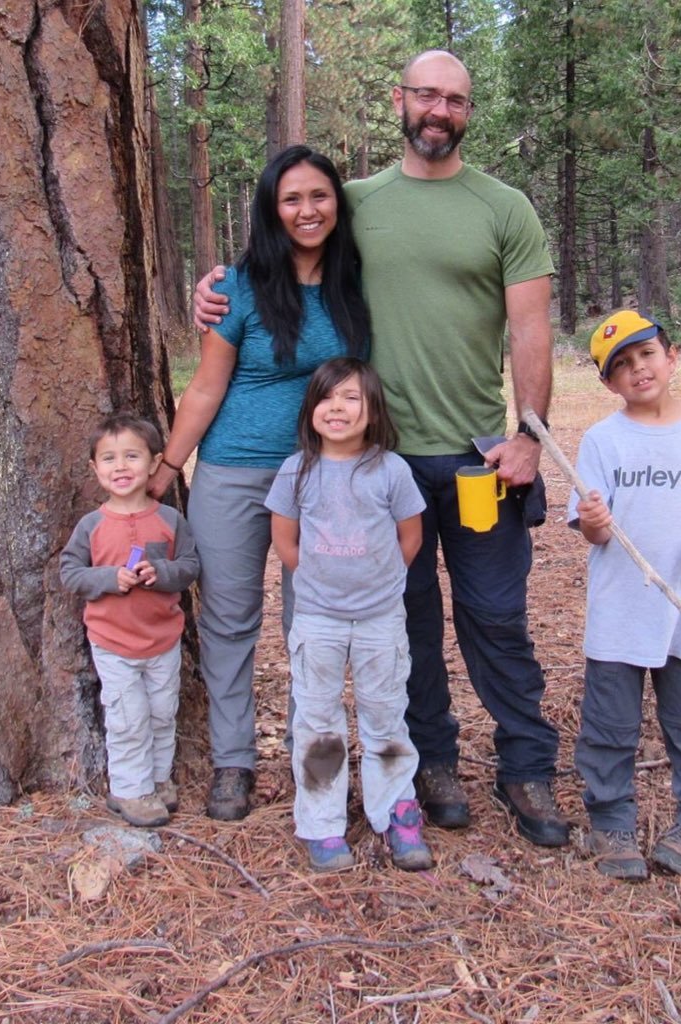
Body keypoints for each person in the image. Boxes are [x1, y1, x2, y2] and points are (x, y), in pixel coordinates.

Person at [194, 50, 568, 848]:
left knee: (496, 616)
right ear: (399, 100)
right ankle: (431, 764)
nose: (439, 110)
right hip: (375, 463)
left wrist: (529, 437)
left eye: (455, 100)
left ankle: (527, 767)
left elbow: (532, 328)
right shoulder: (355, 203)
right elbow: (287, 238)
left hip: (477, 457)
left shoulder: (505, 208)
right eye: (426, 95)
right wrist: (216, 286)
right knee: (405, 619)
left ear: (469, 110)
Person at [149, 145, 370, 822]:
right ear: (272, 211)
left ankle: (315, 764)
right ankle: (232, 763)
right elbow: (207, 388)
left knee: (315, 624)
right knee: (228, 621)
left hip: (323, 477)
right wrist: (164, 471)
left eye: (320, 196)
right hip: (234, 472)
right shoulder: (237, 289)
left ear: (338, 203)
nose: (308, 210)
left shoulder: (361, 284)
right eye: (292, 199)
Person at [567, 311, 681, 880]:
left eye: (646, 355)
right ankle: (611, 820)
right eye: (620, 365)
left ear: (672, 358)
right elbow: (591, 529)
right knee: (609, 726)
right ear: (607, 383)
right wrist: (596, 520)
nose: (637, 369)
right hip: (621, 610)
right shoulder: (603, 440)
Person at [265, 357, 433, 872]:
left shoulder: (391, 469)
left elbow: (411, 536)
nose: (337, 408)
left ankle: (396, 812)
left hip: (381, 618)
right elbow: (284, 538)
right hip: (316, 618)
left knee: (385, 714)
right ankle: (321, 821)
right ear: (311, 408)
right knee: (318, 721)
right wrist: (317, 583)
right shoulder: (297, 469)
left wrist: (377, 585)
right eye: (326, 397)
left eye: (351, 397)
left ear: (372, 409)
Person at [61, 414, 200, 828]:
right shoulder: (93, 525)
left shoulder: (170, 519)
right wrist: (107, 578)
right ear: (94, 468)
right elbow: (70, 572)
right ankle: (129, 789)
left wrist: (163, 574)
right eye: (109, 459)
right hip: (114, 642)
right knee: (128, 718)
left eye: (132, 456)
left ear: (155, 462)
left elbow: (190, 565)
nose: (120, 467)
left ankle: (157, 780)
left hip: (163, 638)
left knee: (161, 712)